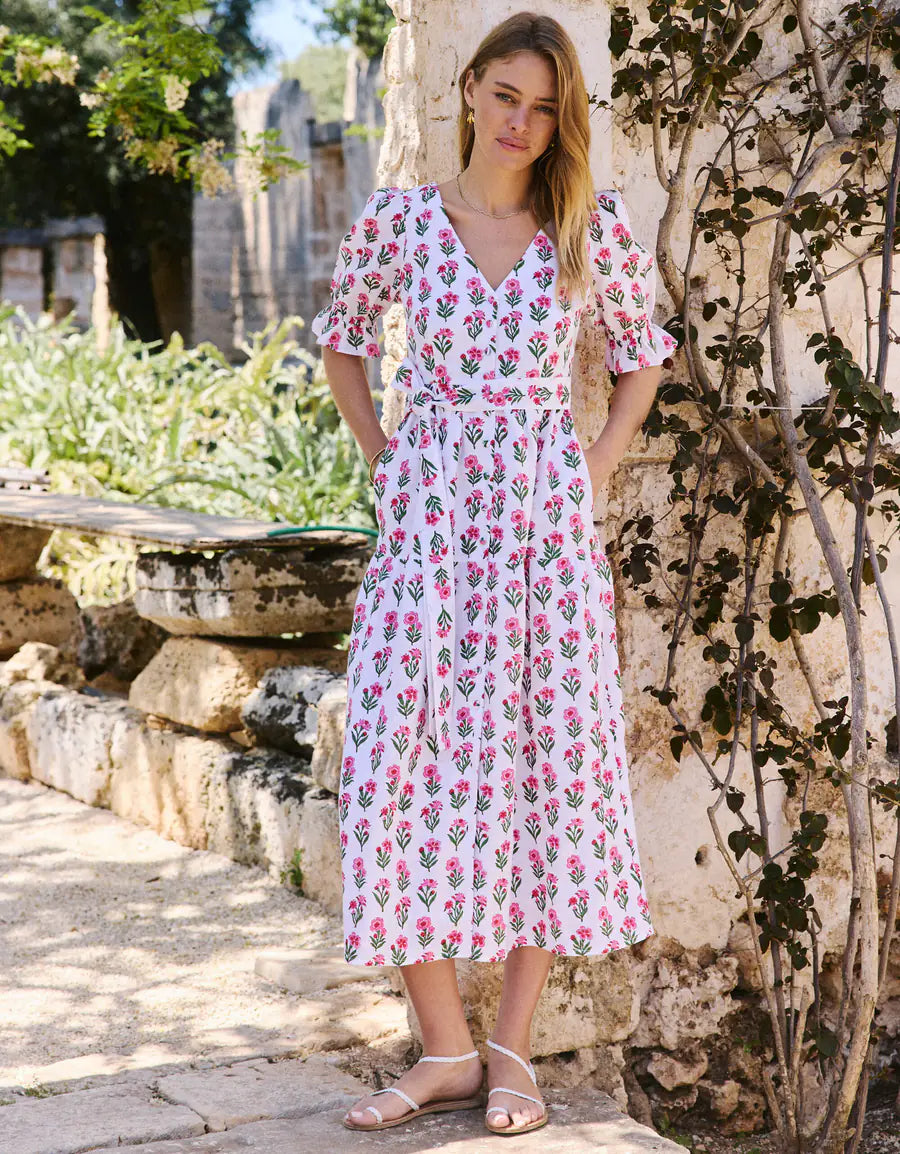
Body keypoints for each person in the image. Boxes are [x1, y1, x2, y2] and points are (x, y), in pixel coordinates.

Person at [310, 9, 677, 1137]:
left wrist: (589, 470)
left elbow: (642, 359)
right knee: (390, 764)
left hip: (539, 541)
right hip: (427, 535)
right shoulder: (402, 221)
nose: (522, 122)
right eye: (507, 95)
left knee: (547, 771)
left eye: (545, 108)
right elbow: (342, 339)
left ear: (561, 122)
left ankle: (511, 1050)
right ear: (470, 89)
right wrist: (387, 460)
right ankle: (446, 1050)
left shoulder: (586, 227)